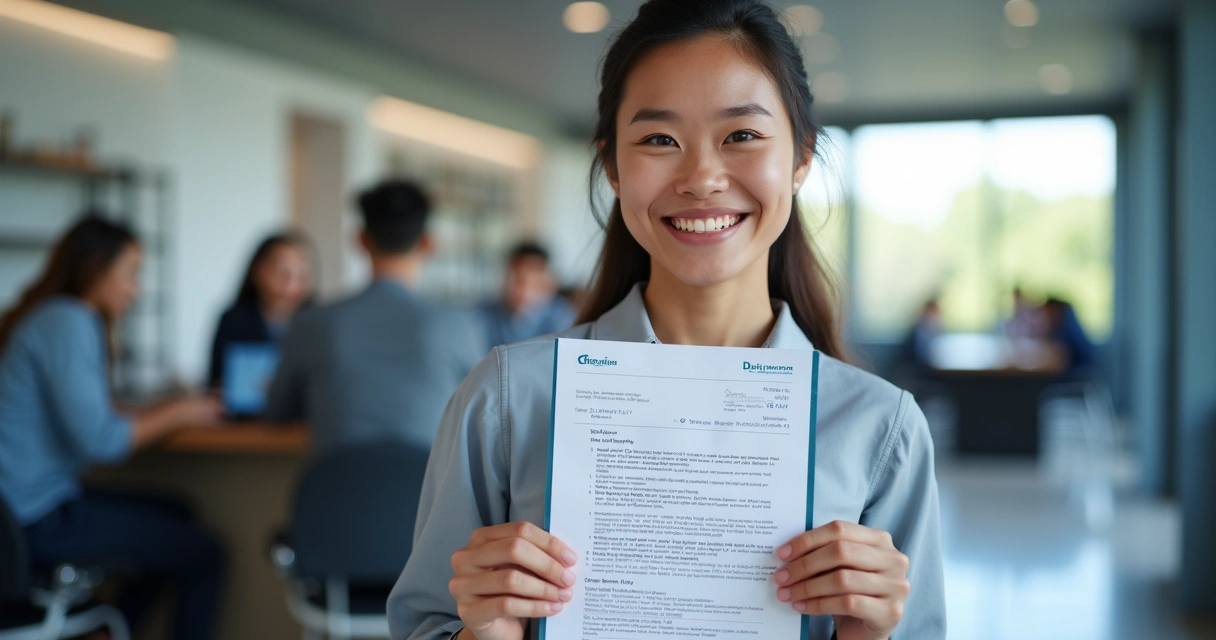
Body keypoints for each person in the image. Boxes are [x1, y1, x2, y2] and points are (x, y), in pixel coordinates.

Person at [387, 2, 945, 639]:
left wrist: (869, 633)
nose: (702, 178)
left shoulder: (880, 428)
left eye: (741, 135)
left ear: (800, 160)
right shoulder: (509, 398)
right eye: (658, 139)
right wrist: (484, 633)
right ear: (614, 168)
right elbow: (423, 623)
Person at [0, 215, 225, 640]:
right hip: (35, 520)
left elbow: (91, 411)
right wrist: (179, 413)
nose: (136, 290)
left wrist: (163, 407)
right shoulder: (68, 319)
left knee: (180, 514)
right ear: (96, 267)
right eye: (131, 273)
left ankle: (106, 630)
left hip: (23, 513)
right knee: (207, 553)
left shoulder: (48, 316)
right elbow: (101, 441)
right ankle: (106, 629)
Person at [264, 180, 485, 455]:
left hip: (332, 493)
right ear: (428, 244)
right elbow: (483, 421)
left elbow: (276, 413)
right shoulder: (458, 326)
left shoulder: (313, 323)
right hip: (426, 495)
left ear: (360, 240)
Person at [206, 232, 314, 390]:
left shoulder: (318, 322)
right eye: (284, 273)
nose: (292, 285)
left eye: (301, 275)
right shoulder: (233, 320)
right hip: (244, 413)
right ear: (258, 271)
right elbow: (216, 382)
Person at [481, 242, 576, 350]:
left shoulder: (562, 315)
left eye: (531, 283)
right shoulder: (488, 313)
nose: (523, 291)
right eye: (517, 281)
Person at [1043, 297, 1096, 378]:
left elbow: (1059, 359)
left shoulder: (1068, 330)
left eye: (1048, 312)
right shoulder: (1064, 325)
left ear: (1056, 310)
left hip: (1077, 378)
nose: (1047, 316)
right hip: (1075, 374)